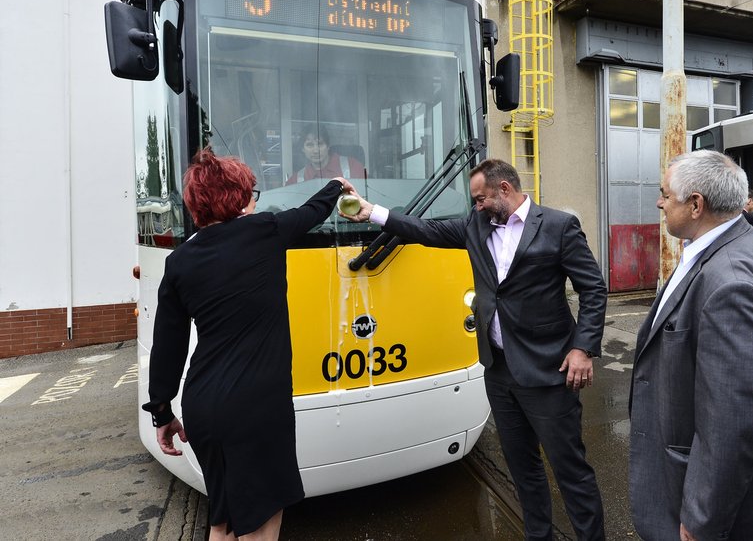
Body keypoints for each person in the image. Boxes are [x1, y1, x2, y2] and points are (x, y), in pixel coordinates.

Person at [340, 158, 606, 541]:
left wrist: (583, 348)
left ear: (504, 190)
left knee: (570, 470)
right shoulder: (475, 225)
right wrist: (372, 212)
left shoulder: (559, 227)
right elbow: (425, 230)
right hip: (499, 370)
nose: (476, 205)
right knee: (523, 469)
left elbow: (593, 288)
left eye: (480, 198)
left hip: (549, 370)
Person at [142, 147, 352, 540]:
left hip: (202, 406)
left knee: (224, 518)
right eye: (252, 191)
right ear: (238, 198)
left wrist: (161, 412)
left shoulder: (180, 261)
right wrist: (337, 185)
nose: (256, 198)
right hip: (255, 406)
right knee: (260, 520)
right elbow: (312, 211)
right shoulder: (265, 232)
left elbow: (167, 346)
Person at [629, 150, 753, 541]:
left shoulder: (731, 280)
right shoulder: (722, 244)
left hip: (731, 511)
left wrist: (701, 519)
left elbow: (733, 418)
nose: (660, 202)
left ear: (696, 204)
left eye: (665, 194)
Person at [286, 124, 366, 184]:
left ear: (328, 146)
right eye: (309, 145)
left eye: (320, 144)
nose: (316, 150)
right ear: (303, 149)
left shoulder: (352, 166)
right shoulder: (296, 180)